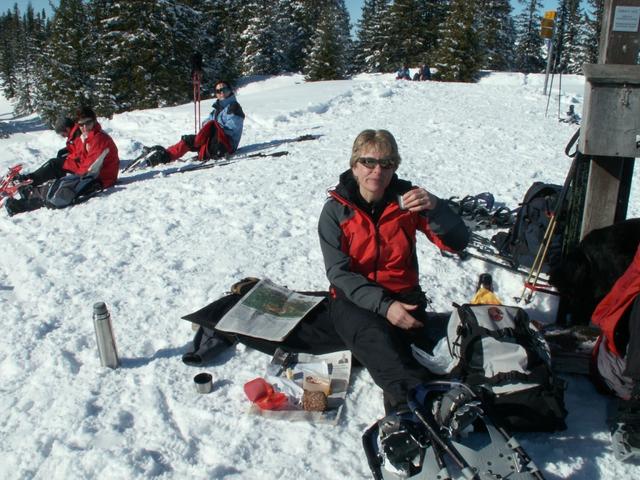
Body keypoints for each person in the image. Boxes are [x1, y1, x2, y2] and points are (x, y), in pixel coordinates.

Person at [317, 129, 469, 413]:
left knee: (409, 352)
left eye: (386, 164)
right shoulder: (336, 211)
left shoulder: (409, 202)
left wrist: (436, 207)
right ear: (354, 166)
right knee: (377, 339)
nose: (377, 171)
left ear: (395, 167)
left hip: (405, 294)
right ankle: (416, 407)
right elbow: (338, 273)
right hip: (353, 298)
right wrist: (385, 307)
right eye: (368, 162)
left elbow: (458, 242)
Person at [5, 106, 119, 216]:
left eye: (88, 123)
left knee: (62, 191)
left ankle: (26, 201)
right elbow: (82, 156)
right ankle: (30, 191)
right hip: (90, 173)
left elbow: (89, 169)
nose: (84, 127)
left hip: (101, 178)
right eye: (81, 125)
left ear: (94, 121)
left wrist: (71, 176)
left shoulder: (99, 139)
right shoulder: (88, 136)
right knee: (58, 177)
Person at [144, 79, 245, 166]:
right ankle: (165, 155)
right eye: (218, 91)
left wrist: (213, 128)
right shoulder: (217, 109)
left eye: (224, 89)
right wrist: (208, 131)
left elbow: (231, 130)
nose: (221, 92)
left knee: (212, 126)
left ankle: (165, 156)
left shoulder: (234, 107)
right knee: (188, 140)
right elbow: (205, 123)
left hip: (226, 145)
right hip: (214, 141)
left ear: (230, 90)